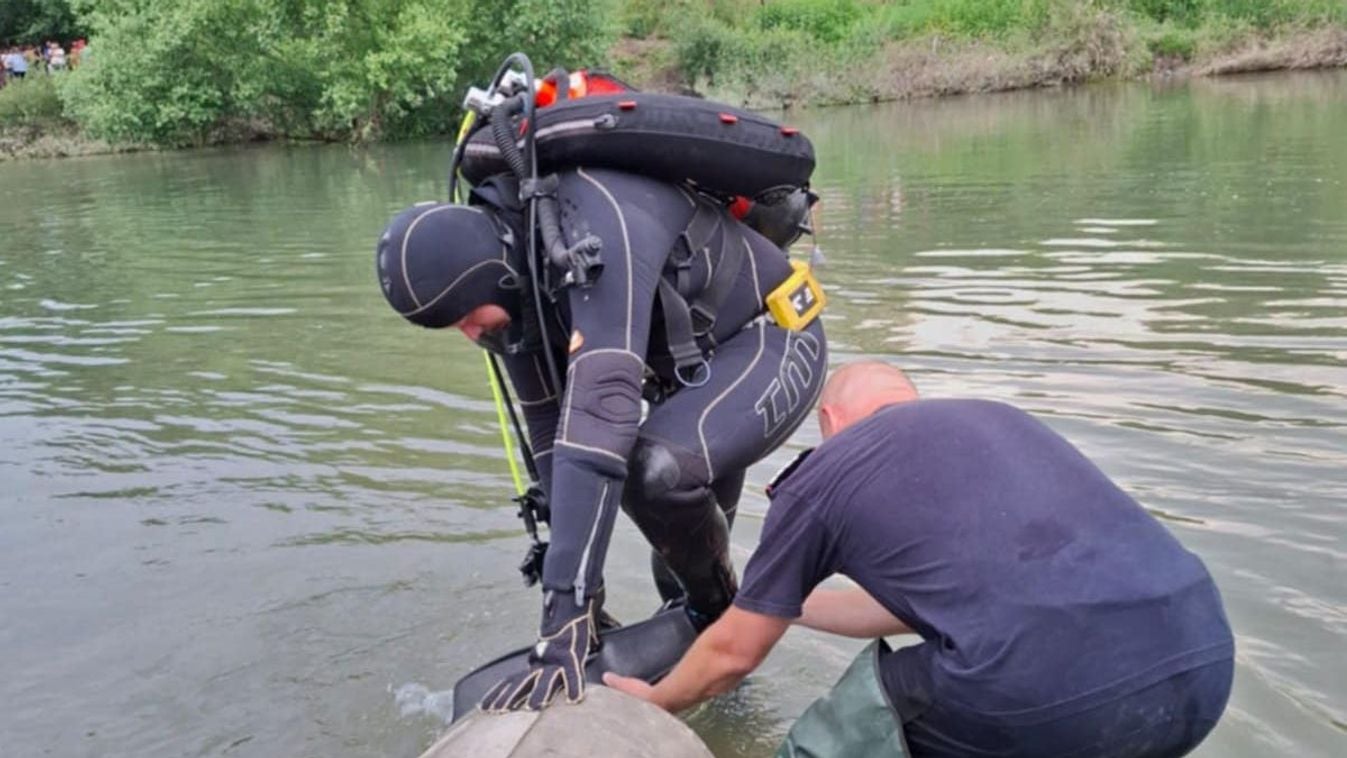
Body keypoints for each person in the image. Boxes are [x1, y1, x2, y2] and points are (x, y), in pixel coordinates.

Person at [607, 361, 1235, 757]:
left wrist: (654, 702)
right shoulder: (995, 422)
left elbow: (734, 656)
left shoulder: (829, 470)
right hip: (1201, 667)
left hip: (1046, 688)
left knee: (849, 725)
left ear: (830, 419)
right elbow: (935, 607)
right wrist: (778, 607)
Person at [376, 168, 828, 712]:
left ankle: (722, 625)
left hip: (771, 337)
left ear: (492, 275)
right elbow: (552, 441)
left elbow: (600, 422)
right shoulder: (523, 298)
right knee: (678, 558)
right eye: (455, 328)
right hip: (689, 379)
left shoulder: (595, 235)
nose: (471, 334)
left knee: (653, 475)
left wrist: (566, 607)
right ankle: (721, 673)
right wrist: (583, 611)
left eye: (467, 317)